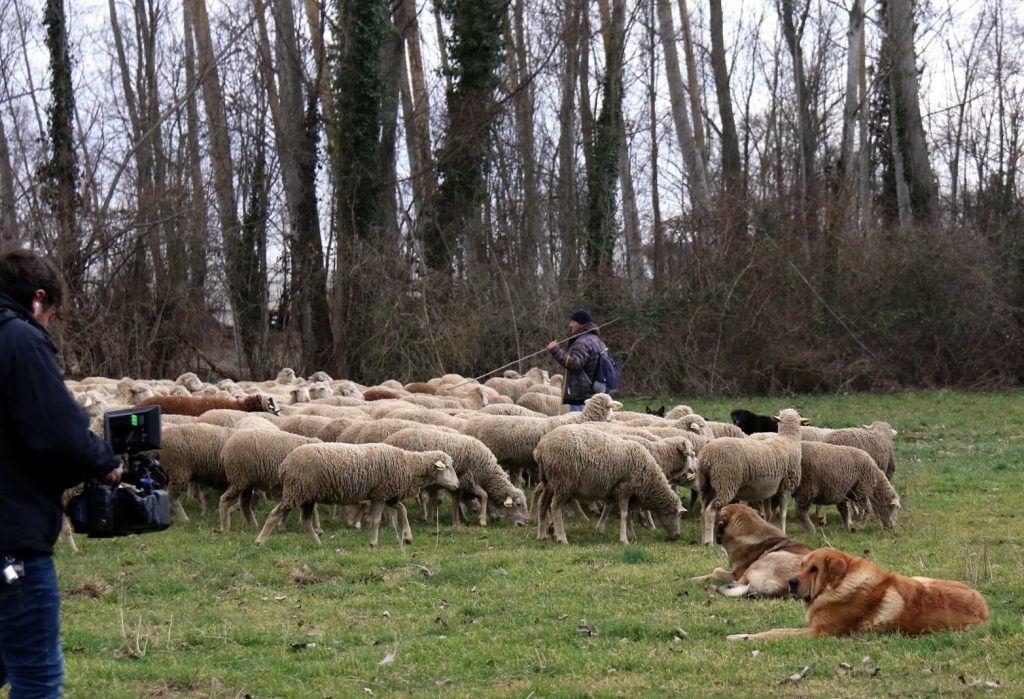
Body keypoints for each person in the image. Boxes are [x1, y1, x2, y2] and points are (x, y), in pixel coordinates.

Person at [0, 248, 123, 697]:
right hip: (12, 544)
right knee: (37, 677)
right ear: (37, 299)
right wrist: (104, 462)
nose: (48, 324)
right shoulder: (19, 340)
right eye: (50, 315)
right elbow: (57, 430)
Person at [546, 309, 605, 412]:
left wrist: (555, 350)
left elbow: (575, 364)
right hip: (592, 394)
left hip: (580, 398)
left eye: (572, 322)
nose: (570, 325)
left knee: (577, 427)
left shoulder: (582, 341)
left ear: (579, 323)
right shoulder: (597, 341)